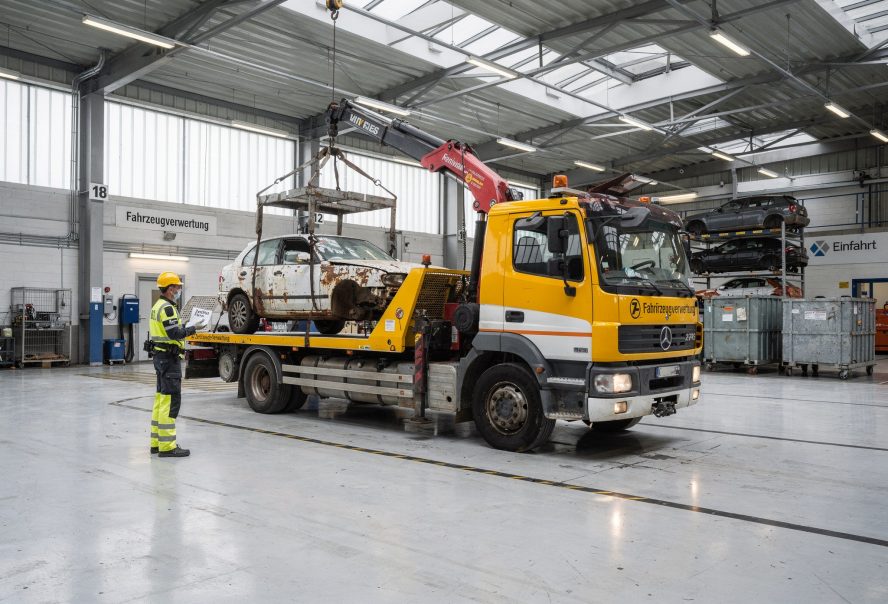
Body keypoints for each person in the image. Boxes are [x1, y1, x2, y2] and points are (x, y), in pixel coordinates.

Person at [149, 272, 206, 458]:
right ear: (170, 288)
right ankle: (167, 447)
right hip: (169, 359)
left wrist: (185, 326)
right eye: (177, 287)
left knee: (161, 400)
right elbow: (174, 334)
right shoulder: (167, 308)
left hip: (161, 358)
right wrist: (193, 328)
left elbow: (169, 330)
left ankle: (156, 444)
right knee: (170, 402)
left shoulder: (157, 306)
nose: (179, 290)